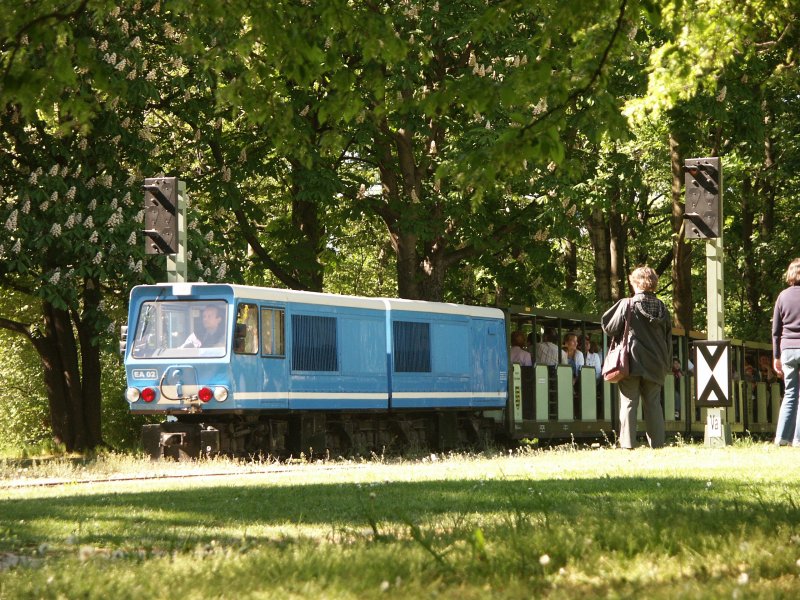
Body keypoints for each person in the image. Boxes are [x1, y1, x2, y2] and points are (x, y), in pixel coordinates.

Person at [601, 266, 672, 449]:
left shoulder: (627, 304)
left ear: (635, 283)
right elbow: (667, 337)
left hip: (631, 361)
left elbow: (609, 327)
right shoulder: (663, 308)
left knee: (629, 402)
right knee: (653, 404)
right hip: (656, 363)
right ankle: (657, 444)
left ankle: (627, 444)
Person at [772, 258, 800, 447]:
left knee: (790, 393)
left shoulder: (782, 296)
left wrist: (776, 356)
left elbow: (776, 329)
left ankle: (782, 438)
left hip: (787, 350)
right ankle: (798, 439)